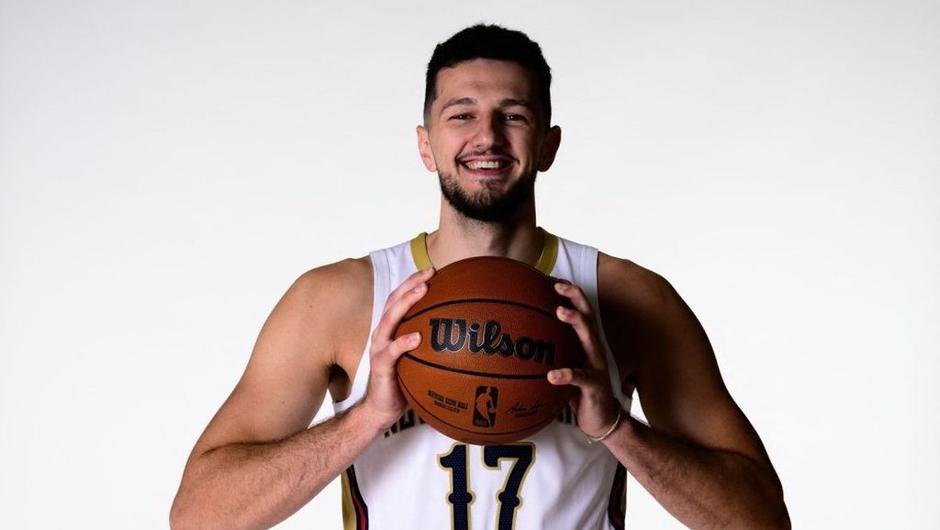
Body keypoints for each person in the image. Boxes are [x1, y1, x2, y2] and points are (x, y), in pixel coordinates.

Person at [170, 24, 790, 530]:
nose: (486, 137)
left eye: (512, 116)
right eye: (461, 114)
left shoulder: (630, 299)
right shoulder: (339, 301)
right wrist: (366, 418)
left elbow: (763, 520)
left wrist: (616, 428)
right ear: (426, 144)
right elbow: (198, 516)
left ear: (547, 145)